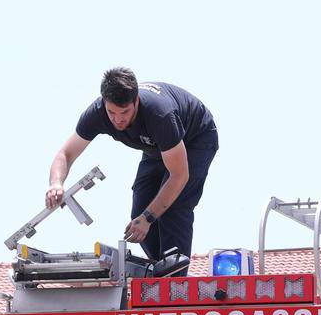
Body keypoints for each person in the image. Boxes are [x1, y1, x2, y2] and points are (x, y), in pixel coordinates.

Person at [46, 67, 219, 265]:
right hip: (156, 147)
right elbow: (65, 154)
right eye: (112, 112)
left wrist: (148, 217)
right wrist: (56, 183)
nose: (118, 119)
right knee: (140, 211)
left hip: (196, 138)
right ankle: (161, 267)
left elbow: (179, 175)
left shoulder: (159, 115)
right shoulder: (97, 113)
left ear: (136, 101)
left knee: (172, 208)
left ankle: (174, 281)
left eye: (125, 112)